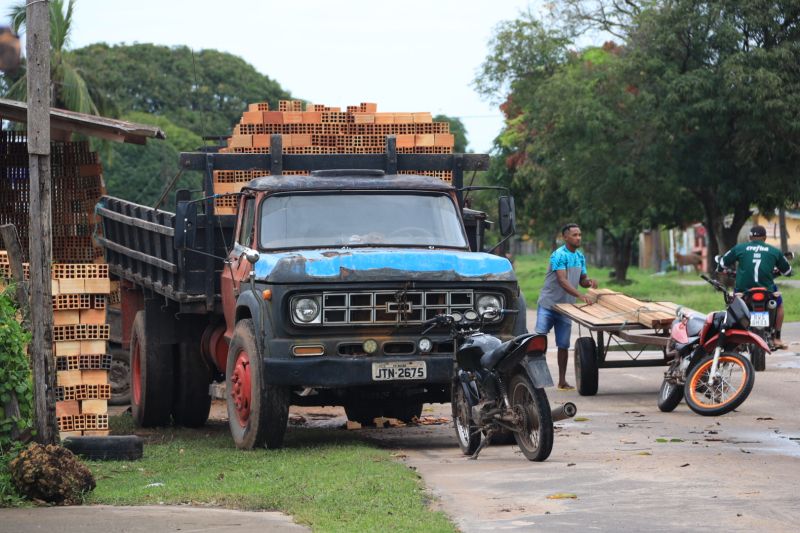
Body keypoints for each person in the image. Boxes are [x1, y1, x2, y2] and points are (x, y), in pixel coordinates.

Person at [535, 223, 598, 390]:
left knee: (563, 345)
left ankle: (562, 381)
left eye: (580, 234)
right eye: (575, 235)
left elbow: (582, 280)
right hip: (548, 305)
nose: (578, 238)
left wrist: (589, 282)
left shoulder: (580, 257)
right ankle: (537, 378)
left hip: (566, 308)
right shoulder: (558, 255)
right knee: (540, 339)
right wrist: (580, 295)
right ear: (565, 237)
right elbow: (562, 280)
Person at [719, 224, 792, 349]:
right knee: (779, 305)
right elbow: (787, 271)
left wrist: (721, 268)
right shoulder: (774, 251)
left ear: (750, 237)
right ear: (765, 237)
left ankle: (734, 338)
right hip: (766, 290)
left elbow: (722, 263)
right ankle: (777, 338)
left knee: (732, 306)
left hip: (743, 290)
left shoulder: (740, 248)